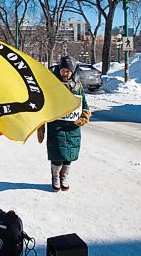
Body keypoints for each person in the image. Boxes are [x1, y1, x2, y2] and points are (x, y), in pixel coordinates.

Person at [37, 56, 91, 192]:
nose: (65, 74)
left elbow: (83, 102)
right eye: (63, 70)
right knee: (58, 153)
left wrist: (85, 115)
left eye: (68, 71)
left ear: (72, 72)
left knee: (70, 155)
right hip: (57, 125)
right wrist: (40, 123)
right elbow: (44, 103)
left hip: (73, 126)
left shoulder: (78, 85)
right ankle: (55, 177)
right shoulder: (52, 84)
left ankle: (64, 177)